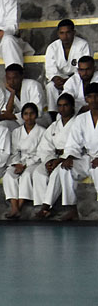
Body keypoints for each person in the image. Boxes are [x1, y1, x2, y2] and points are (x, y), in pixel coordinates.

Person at [56, 83, 98, 220]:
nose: (94, 100)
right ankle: (72, 208)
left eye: (96, 96)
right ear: (86, 99)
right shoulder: (81, 119)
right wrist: (70, 157)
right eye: (90, 97)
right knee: (65, 169)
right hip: (88, 157)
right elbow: (73, 143)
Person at [34, 93, 77, 219]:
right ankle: (41, 205)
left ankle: (46, 206)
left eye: (66, 105)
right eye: (60, 106)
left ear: (72, 106)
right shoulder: (54, 126)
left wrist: (60, 160)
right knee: (38, 172)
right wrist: (50, 160)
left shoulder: (77, 123)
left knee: (58, 171)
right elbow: (45, 146)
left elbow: (77, 146)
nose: (62, 109)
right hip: (54, 156)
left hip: (69, 157)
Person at [2, 103, 46, 219]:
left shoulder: (42, 131)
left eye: (31, 114)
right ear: (22, 116)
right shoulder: (17, 132)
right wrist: (17, 164)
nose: (29, 117)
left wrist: (26, 165)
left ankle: (19, 207)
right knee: (9, 174)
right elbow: (14, 151)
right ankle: (14, 206)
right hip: (20, 160)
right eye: (26, 114)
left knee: (26, 175)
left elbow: (41, 153)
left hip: (35, 162)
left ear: (36, 115)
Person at [44, 19, 92, 119]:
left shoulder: (83, 45)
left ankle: (73, 113)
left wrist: (69, 80)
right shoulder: (52, 47)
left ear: (73, 32)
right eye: (62, 33)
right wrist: (55, 78)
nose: (65, 36)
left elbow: (85, 67)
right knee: (50, 87)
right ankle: (53, 115)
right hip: (59, 80)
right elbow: (50, 68)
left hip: (77, 78)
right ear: (58, 33)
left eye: (68, 32)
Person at [0, 64, 47, 130]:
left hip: (39, 119)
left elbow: (38, 111)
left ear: (22, 76)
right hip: (21, 121)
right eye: (9, 78)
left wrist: (14, 116)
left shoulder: (33, 85)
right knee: (3, 124)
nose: (12, 82)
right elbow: (7, 112)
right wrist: (12, 93)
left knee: (31, 121)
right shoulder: (9, 90)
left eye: (15, 78)